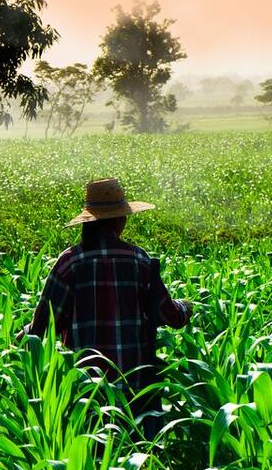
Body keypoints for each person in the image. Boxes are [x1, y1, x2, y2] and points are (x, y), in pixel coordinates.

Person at [22, 177, 192, 439]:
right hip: (135, 387)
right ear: (119, 220)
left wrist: (24, 334)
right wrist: (185, 307)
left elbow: (43, 325)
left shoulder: (70, 261)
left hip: (86, 390)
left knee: (93, 454)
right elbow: (167, 315)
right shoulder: (138, 259)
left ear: (90, 221)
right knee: (138, 452)